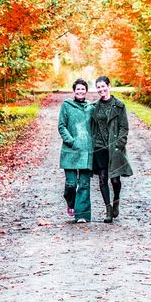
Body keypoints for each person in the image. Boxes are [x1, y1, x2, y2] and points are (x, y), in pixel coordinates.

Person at [91, 75, 133, 223]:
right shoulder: (94, 107)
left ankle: (116, 200)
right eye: (98, 87)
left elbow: (124, 127)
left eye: (103, 86)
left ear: (109, 87)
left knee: (115, 180)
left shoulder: (119, 105)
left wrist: (119, 145)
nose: (101, 89)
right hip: (99, 146)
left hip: (114, 146)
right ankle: (108, 209)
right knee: (102, 179)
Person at [58, 78, 94, 223]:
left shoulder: (91, 107)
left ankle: (83, 215)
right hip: (71, 150)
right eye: (77, 89)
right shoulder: (66, 106)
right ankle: (71, 203)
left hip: (86, 151)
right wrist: (71, 141)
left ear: (86, 91)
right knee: (71, 184)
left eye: (83, 89)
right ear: (74, 91)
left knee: (84, 184)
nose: (80, 91)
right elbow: (61, 126)